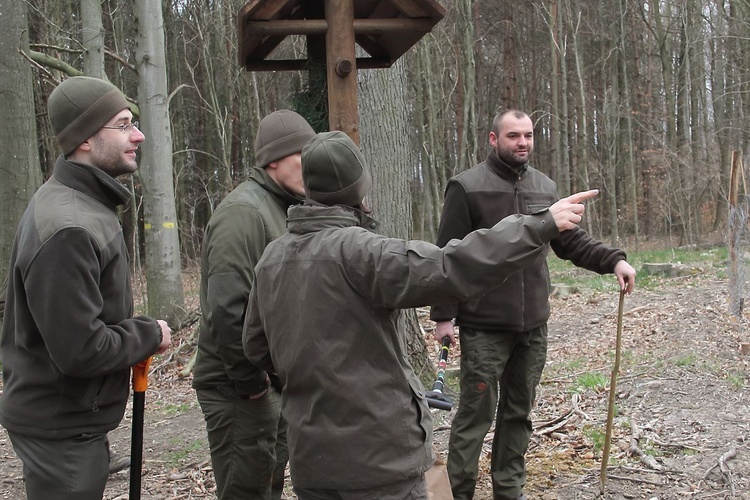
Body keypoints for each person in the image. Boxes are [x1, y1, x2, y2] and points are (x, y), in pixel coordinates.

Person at [242, 130, 599, 500]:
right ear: (358, 187)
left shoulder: (271, 259)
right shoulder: (362, 252)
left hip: (311, 463)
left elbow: (256, 347)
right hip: (384, 464)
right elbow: (451, 266)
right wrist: (538, 225)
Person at [430, 109, 637, 500]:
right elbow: (447, 255)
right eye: (513, 136)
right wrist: (444, 315)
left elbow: (571, 242)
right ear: (493, 139)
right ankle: (457, 493)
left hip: (532, 327)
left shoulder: (545, 187)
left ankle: (509, 489)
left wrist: (614, 260)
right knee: (474, 417)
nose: (522, 143)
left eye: (528, 135)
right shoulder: (467, 186)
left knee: (518, 414)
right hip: (484, 325)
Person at [0, 76, 172, 500]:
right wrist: (149, 334)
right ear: (84, 139)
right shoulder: (69, 226)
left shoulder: (82, 206)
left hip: (70, 423)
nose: (139, 135)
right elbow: (81, 350)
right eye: (123, 123)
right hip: (61, 432)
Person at [192, 110, 315, 499]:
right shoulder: (243, 212)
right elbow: (228, 309)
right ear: (273, 160)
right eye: (302, 155)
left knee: (269, 482)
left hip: (267, 381)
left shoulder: (280, 206)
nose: (310, 165)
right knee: (248, 489)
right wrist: (251, 383)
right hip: (239, 386)